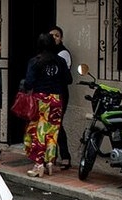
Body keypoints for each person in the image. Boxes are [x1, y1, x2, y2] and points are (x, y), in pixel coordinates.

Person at [23, 33, 72, 177]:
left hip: (40, 98)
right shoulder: (60, 61)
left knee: (38, 131)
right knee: (52, 131)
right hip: (56, 98)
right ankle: (50, 162)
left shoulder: (35, 61)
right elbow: (68, 79)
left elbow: (29, 83)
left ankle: (39, 164)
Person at [50, 26, 73, 170]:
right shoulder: (47, 53)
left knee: (57, 124)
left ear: (61, 38)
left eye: (57, 35)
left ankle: (65, 156)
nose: (54, 38)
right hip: (50, 93)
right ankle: (54, 155)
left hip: (60, 93)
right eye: (51, 36)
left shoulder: (63, 54)